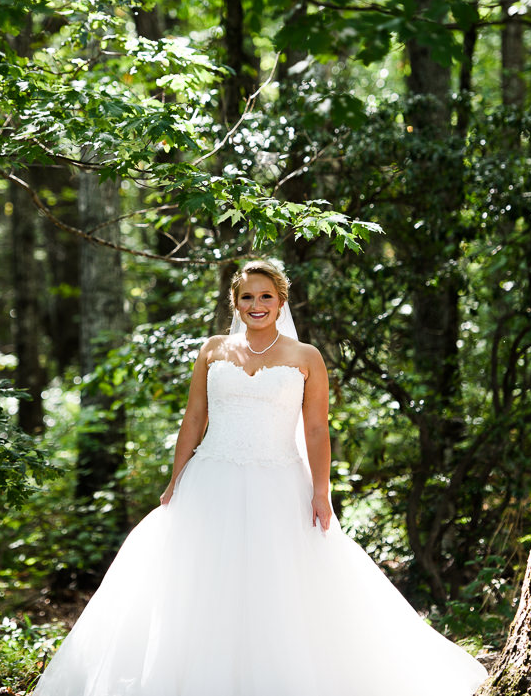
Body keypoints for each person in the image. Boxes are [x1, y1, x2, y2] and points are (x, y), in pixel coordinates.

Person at [32, 260, 488, 696]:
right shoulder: (213, 350)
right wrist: (174, 481)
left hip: (278, 483)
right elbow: (194, 418)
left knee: (279, 584)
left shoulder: (306, 356)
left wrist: (321, 491)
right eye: (247, 296)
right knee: (199, 582)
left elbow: (315, 428)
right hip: (210, 480)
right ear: (235, 303)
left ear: (281, 300)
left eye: (265, 296)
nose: (256, 304)